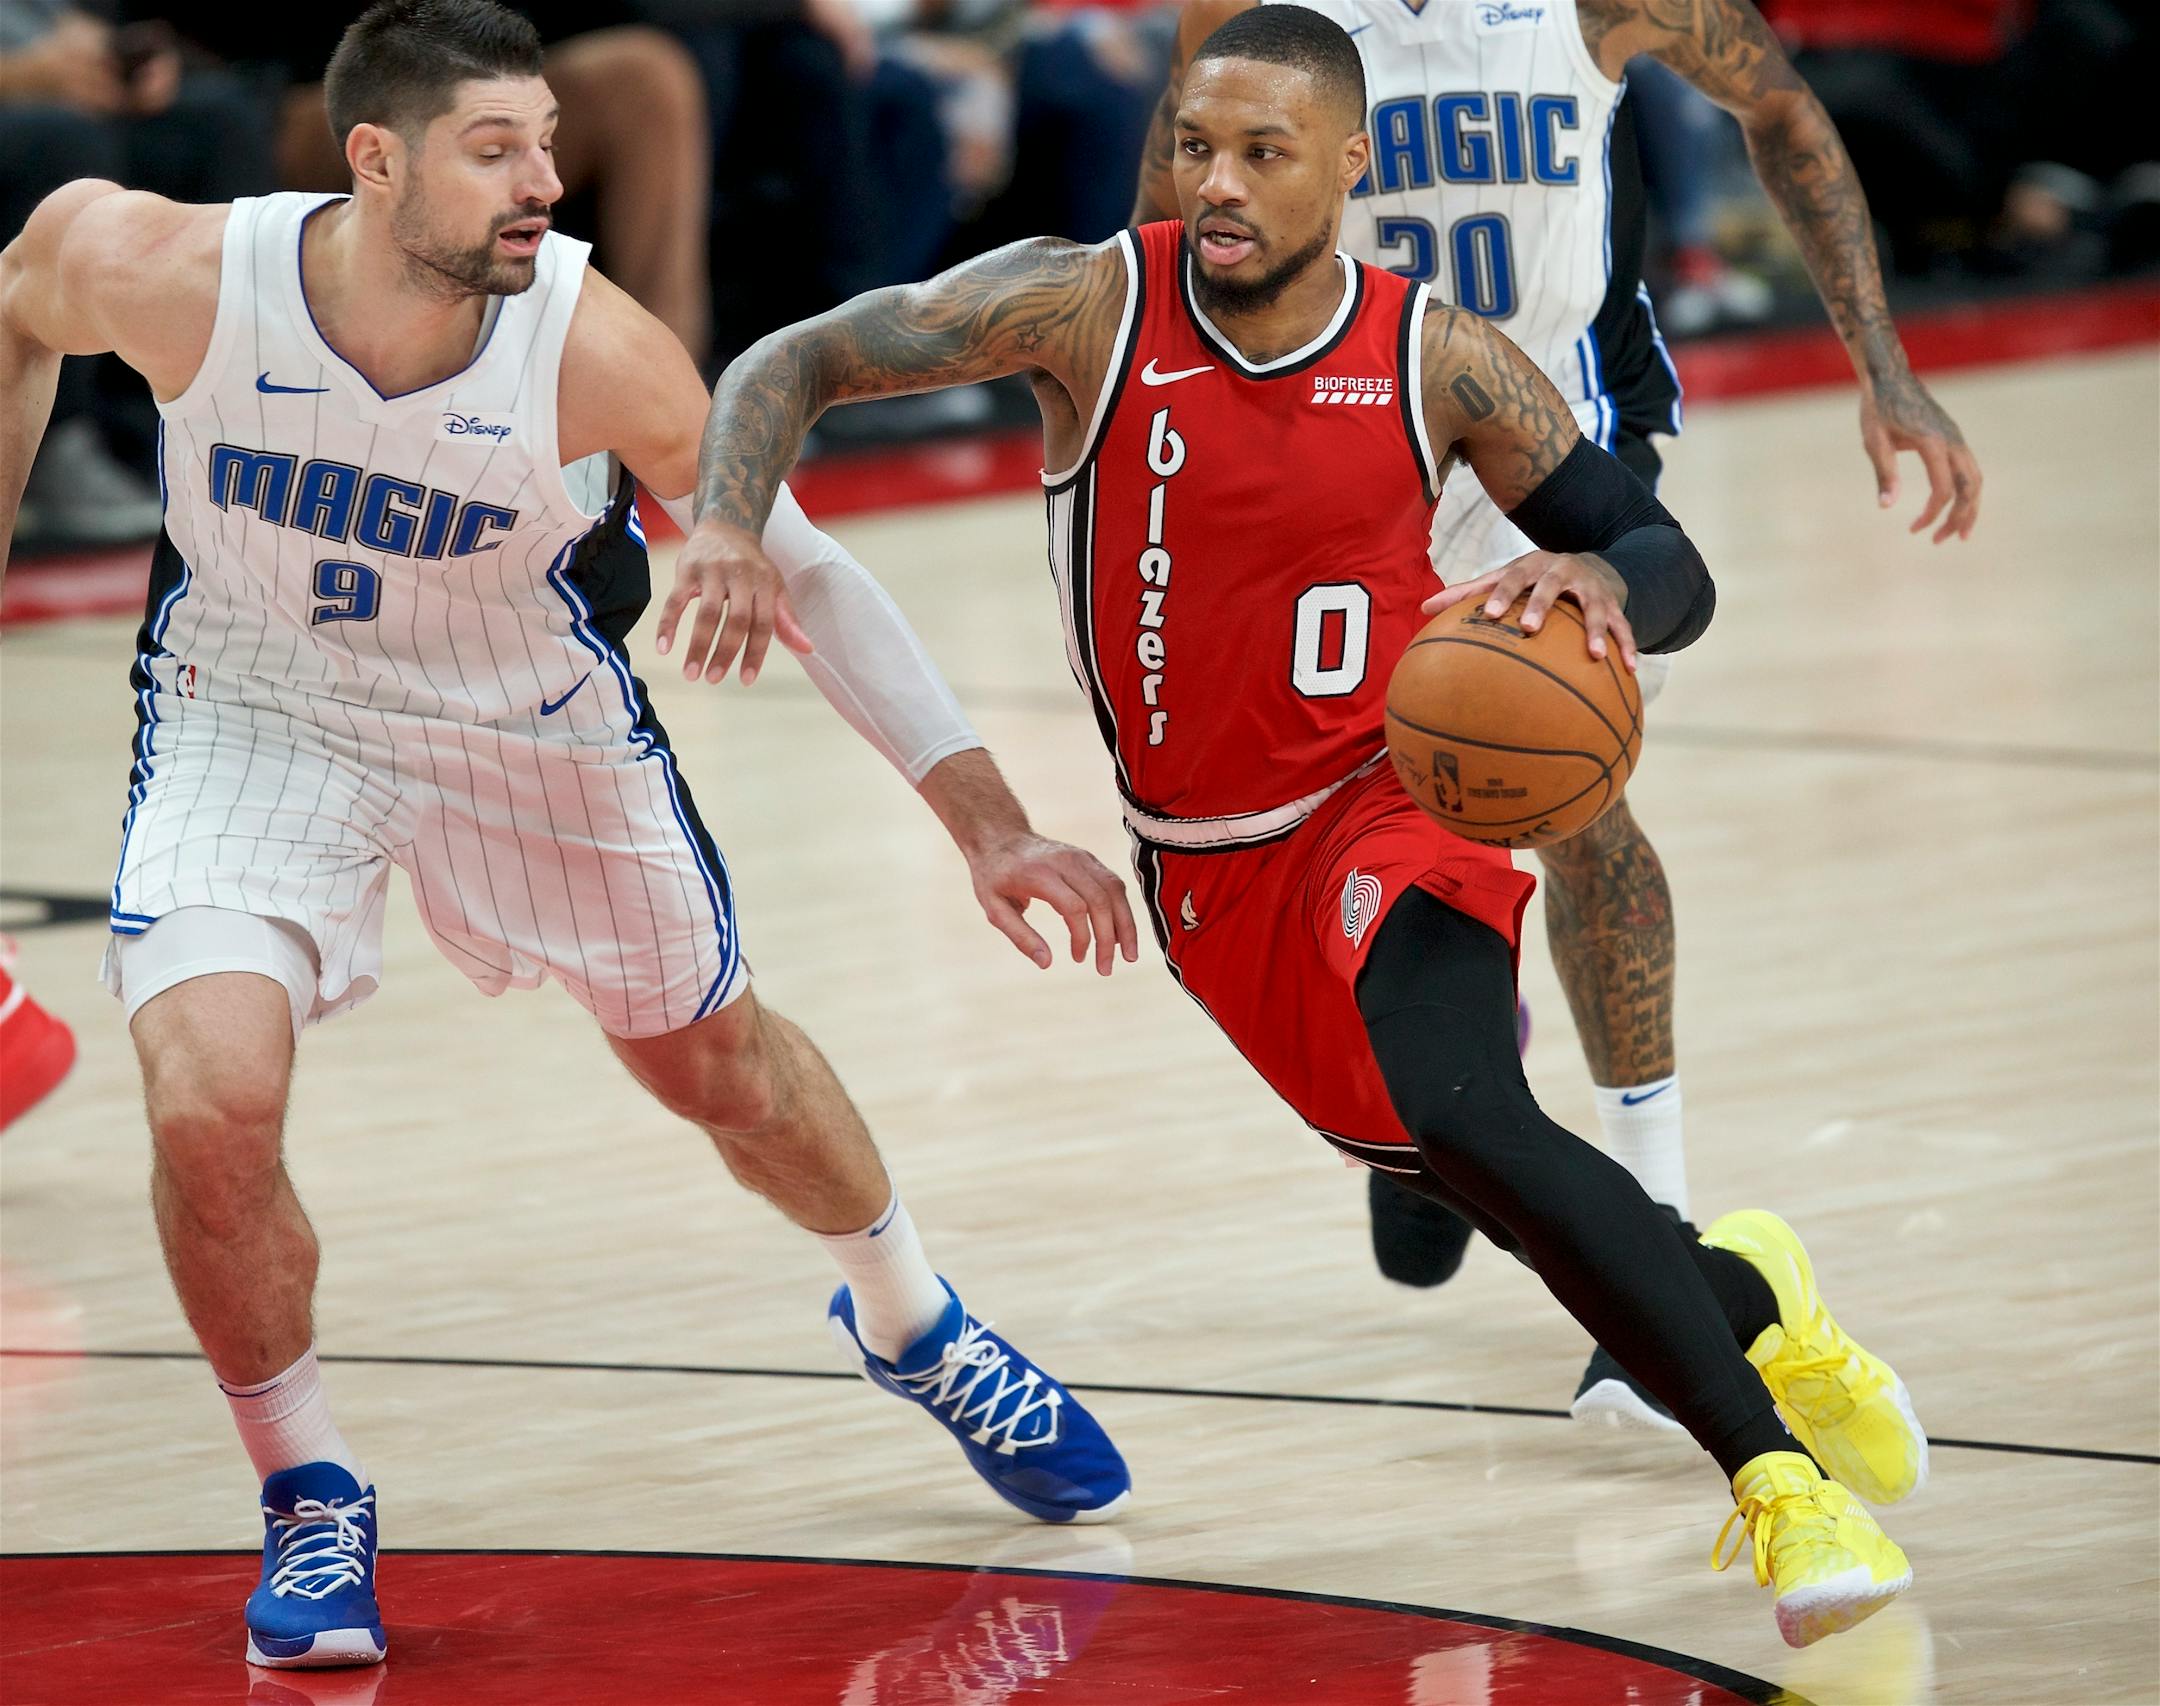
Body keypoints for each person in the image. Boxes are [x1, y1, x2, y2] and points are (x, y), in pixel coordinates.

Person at [686, 4, 1925, 1650]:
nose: (1220, 184)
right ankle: (1757, 1293)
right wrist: (722, 519)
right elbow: (800, 357)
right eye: (1198, 146)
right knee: (1473, 1173)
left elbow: (1664, 554)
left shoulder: (1444, 357)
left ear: (1350, 166)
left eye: (1265, 154)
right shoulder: (1084, 305)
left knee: (1473, 1114)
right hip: (1207, 871)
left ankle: (1777, 1487)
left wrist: (1604, 575)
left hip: (1393, 802)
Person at [0, 0, 1141, 1671]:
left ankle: (915, 1319)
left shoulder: (589, 342)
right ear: (375, 163)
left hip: (528, 725)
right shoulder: (181, 272)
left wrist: (987, 824)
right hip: (257, 709)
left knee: (719, 1071)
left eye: (546, 138)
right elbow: (23, 296)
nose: (545, 178)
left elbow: (808, 567)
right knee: (210, 1101)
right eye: (495, 149)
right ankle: (309, 1491)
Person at [1131, 0, 1983, 1436]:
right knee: (1338, 844)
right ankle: (1469, 1071)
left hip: (1553, 459)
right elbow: (1172, 217)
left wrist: (1882, 366)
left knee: (1576, 803)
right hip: (1339, 452)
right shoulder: (1260, 16)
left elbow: (1779, 109)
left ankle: (1657, 1222)